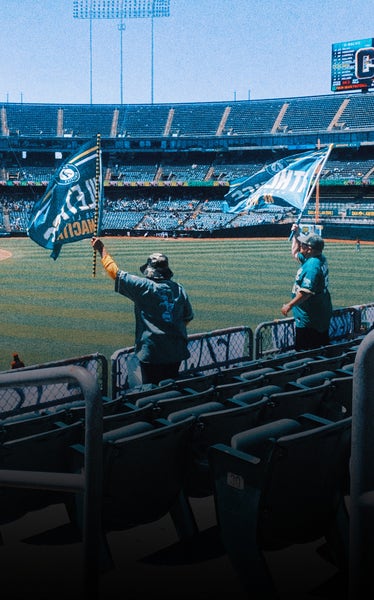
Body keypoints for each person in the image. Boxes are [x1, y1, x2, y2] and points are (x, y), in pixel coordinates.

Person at [91, 236, 194, 385]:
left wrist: (101, 249)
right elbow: (187, 317)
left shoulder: (144, 286)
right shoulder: (178, 288)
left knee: (151, 389)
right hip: (176, 350)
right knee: (171, 387)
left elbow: (115, 273)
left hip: (152, 352)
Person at [281, 224, 333, 351]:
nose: (301, 246)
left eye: (303, 244)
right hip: (320, 314)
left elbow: (306, 293)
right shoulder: (317, 258)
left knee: (307, 353)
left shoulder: (312, 266)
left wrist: (289, 305)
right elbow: (294, 252)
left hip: (311, 319)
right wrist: (296, 234)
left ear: (309, 249)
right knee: (320, 350)